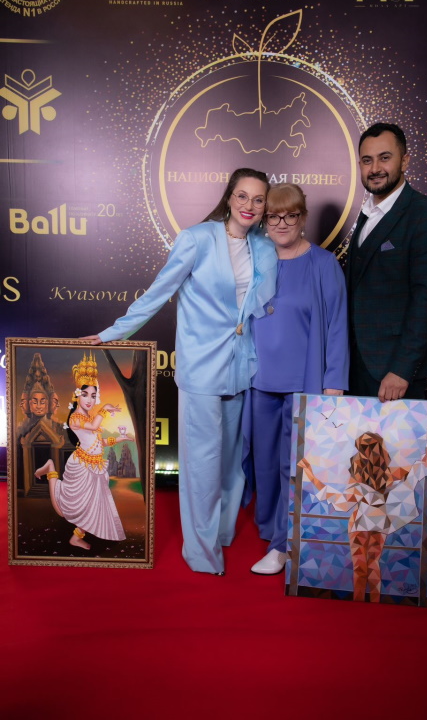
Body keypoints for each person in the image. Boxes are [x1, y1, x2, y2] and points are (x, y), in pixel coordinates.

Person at [82, 168, 277, 575]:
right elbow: (159, 293)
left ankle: (222, 533)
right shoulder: (197, 239)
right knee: (202, 465)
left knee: (231, 464)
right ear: (229, 197)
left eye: (258, 199)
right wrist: (113, 333)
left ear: (264, 206)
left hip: (242, 367)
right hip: (202, 367)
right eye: (242, 196)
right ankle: (202, 554)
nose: (249, 206)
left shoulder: (264, 246)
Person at [244, 183, 349, 575]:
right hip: (258, 381)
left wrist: (334, 382)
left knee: (294, 465)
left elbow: (337, 326)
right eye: (274, 216)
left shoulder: (323, 264)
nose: (282, 223)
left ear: (303, 218)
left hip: (304, 383)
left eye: (291, 215)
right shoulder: (255, 260)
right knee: (264, 462)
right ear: (264, 220)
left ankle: (283, 545)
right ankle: (270, 527)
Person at [346, 123, 427, 403]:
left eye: (385, 158)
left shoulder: (426, 216)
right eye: (367, 160)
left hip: (395, 373)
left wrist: (402, 370)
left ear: (404, 161)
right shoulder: (368, 214)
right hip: (358, 365)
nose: (375, 168)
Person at [299, 422, 427, 602]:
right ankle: (373, 603)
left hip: (360, 523)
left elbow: (342, 503)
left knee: (360, 569)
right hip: (379, 523)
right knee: (373, 566)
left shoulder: (360, 476)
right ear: (382, 450)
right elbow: (425, 465)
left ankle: (359, 603)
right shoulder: (393, 473)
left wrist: (310, 474)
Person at [34, 353, 133, 549]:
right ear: (77, 395)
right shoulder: (76, 418)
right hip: (81, 465)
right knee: (68, 507)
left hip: (95, 466)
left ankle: (76, 537)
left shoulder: (88, 416)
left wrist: (118, 439)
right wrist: (105, 409)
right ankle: (51, 469)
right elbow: (94, 426)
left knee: (93, 504)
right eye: (85, 394)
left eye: (93, 396)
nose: (89, 400)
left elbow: (98, 441)